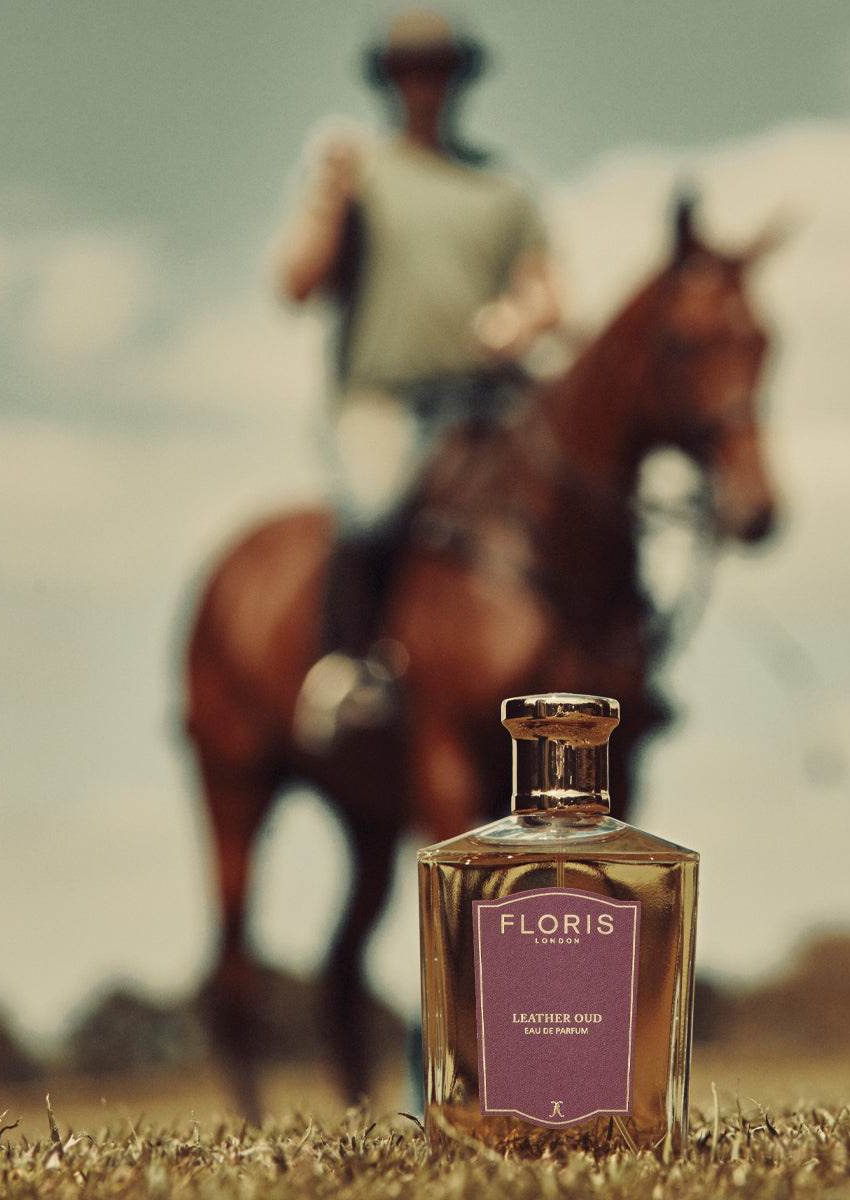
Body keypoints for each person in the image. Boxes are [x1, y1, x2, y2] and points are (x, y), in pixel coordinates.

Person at [275, 9, 561, 752]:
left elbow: (548, 293)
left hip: (484, 401)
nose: (425, 84)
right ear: (390, 82)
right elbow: (296, 283)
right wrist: (329, 200)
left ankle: (605, 658)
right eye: (411, 70)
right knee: (372, 510)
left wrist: (522, 319)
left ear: (459, 79)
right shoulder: (357, 173)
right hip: (383, 400)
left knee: (575, 490)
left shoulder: (504, 191)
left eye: (438, 69)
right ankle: (351, 666)